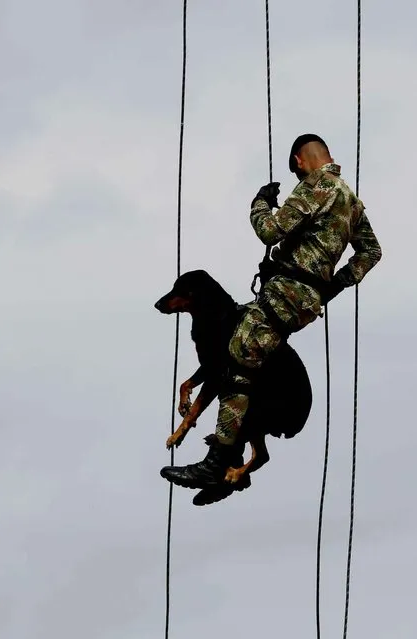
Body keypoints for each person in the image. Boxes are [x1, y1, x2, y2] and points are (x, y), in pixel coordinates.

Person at [160, 133, 382, 491]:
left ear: (298, 160)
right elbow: (371, 252)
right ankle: (229, 461)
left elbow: (270, 231)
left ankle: (216, 464)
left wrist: (260, 202)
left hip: (286, 292)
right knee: (248, 359)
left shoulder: (316, 186)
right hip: (304, 300)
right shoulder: (352, 202)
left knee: (235, 358)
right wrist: (332, 286)